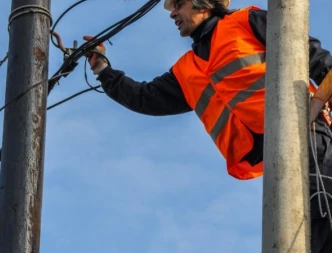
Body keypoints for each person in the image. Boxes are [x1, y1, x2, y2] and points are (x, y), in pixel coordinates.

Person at [83, 0, 332, 251]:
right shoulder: (186, 70)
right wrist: (103, 69)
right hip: (273, 156)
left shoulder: (246, 22)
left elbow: (314, 57)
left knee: (321, 216)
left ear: (204, 3)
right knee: (298, 230)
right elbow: (144, 97)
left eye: (179, 5)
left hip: (307, 134)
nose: (173, 14)